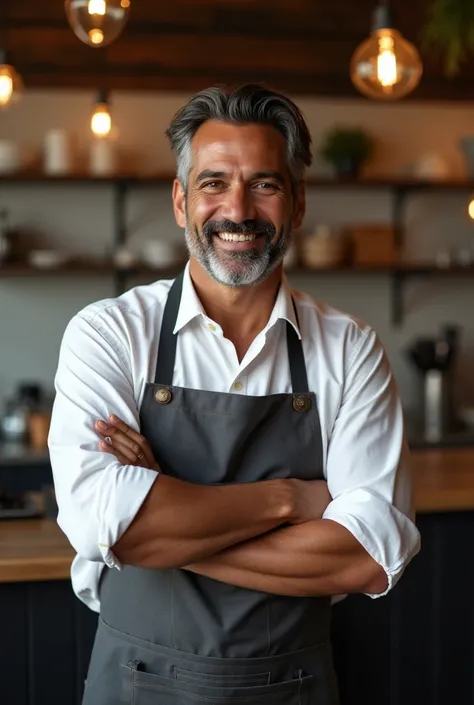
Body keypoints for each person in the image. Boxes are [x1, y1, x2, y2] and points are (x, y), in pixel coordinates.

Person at [48, 83, 420, 705]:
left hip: (293, 688)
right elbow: (98, 524)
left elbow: (366, 559)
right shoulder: (109, 333)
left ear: (298, 203)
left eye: (265, 184)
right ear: (180, 200)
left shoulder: (349, 349)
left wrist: (158, 522)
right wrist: (289, 499)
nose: (238, 210)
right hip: (135, 682)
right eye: (213, 182)